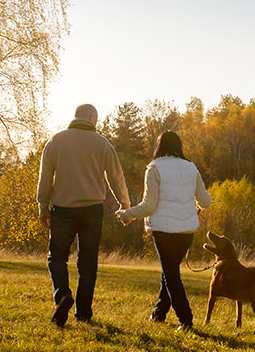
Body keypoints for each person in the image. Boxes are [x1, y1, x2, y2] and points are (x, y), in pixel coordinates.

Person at [36, 104, 131, 327]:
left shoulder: (56, 140)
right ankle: (83, 313)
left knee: (57, 257)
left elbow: (45, 175)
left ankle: (62, 296)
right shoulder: (102, 143)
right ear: (91, 117)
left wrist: (43, 205)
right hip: (92, 210)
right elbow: (116, 177)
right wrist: (124, 204)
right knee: (88, 263)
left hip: (63, 209)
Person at [115, 131, 211, 331]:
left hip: (164, 231)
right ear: (179, 146)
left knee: (171, 275)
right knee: (170, 272)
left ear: (159, 146)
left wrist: (127, 214)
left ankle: (186, 320)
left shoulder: (154, 168)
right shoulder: (191, 167)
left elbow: (149, 206)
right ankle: (159, 313)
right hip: (186, 232)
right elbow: (205, 201)